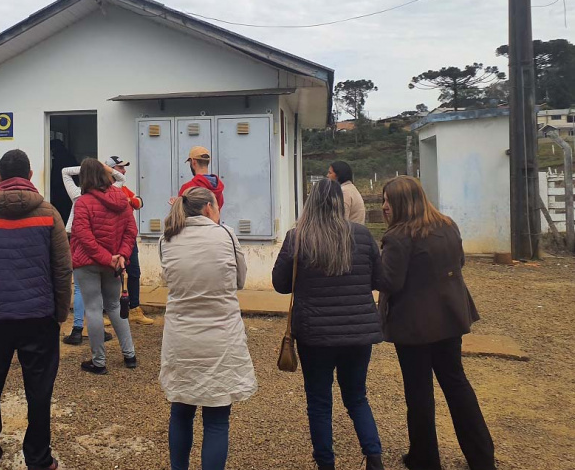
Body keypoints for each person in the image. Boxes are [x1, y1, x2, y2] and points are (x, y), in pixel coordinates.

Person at [0, 149, 71, 470]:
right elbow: (62, 270)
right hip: (39, 319)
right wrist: (60, 313)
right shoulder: (49, 214)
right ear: (31, 176)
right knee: (39, 393)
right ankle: (38, 457)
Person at [378, 176, 495, 470]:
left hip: (413, 326)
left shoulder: (398, 237)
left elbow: (390, 280)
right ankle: (482, 458)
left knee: (419, 393)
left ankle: (424, 459)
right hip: (449, 318)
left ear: (402, 203)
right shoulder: (447, 225)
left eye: (388, 201)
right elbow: (460, 262)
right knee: (456, 384)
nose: (384, 207)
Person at [272, 179, 385, 470]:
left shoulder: (298, 237)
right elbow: (380, 280)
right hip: (358, 333)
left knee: (319, 402)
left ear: (311, 203)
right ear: (340, 203)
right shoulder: (361, 234)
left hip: (315, 334)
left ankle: (326, 463)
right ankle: (374, 457)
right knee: (357, 397)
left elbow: (281, 284)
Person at [159, 187, 256, 470]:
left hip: (181, 337)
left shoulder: (167, 239)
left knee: (180, 410)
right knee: (216, 419)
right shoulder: (225, 234)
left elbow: (168, 279)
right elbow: (240, 280)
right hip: (221, 337)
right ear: (207, 209)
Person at [71, 158, 138, 374]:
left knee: (93, 308)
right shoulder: (121, 198)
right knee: (115, 306)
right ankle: (130, 355)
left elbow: (83, 235)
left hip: (88, 262)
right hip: (114, 262)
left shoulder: (82, 202)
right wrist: (121, 256)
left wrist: (105, 257)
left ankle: (98, 362)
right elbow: (131, 231)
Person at [60, 160, 124, 346]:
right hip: (103, 241)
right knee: (100, 289)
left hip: (78, 239)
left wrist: (87, 167)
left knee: (81, 287)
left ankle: (78, 329)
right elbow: (121, 177)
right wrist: (101, 167)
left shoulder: (77, 194)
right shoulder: (111, 192)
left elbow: (65, 170)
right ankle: (98, 330)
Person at [105, 155, 153, 326]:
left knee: (134, 272)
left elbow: (139, 202)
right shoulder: (103, 189)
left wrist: (129, 200)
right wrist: (129, 202)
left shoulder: (123, 189)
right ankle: (107, 311)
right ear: (110, 170)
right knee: (110, 274)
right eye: (120, 168)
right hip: (111, 238)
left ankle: (135, 309)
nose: (124, 171)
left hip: (128, 237)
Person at [50, 139, 79, 224]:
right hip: (69, 187)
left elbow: (56, 176)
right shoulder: (69, 157)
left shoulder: (60, 159)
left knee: (61, 211)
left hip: (60, 189)